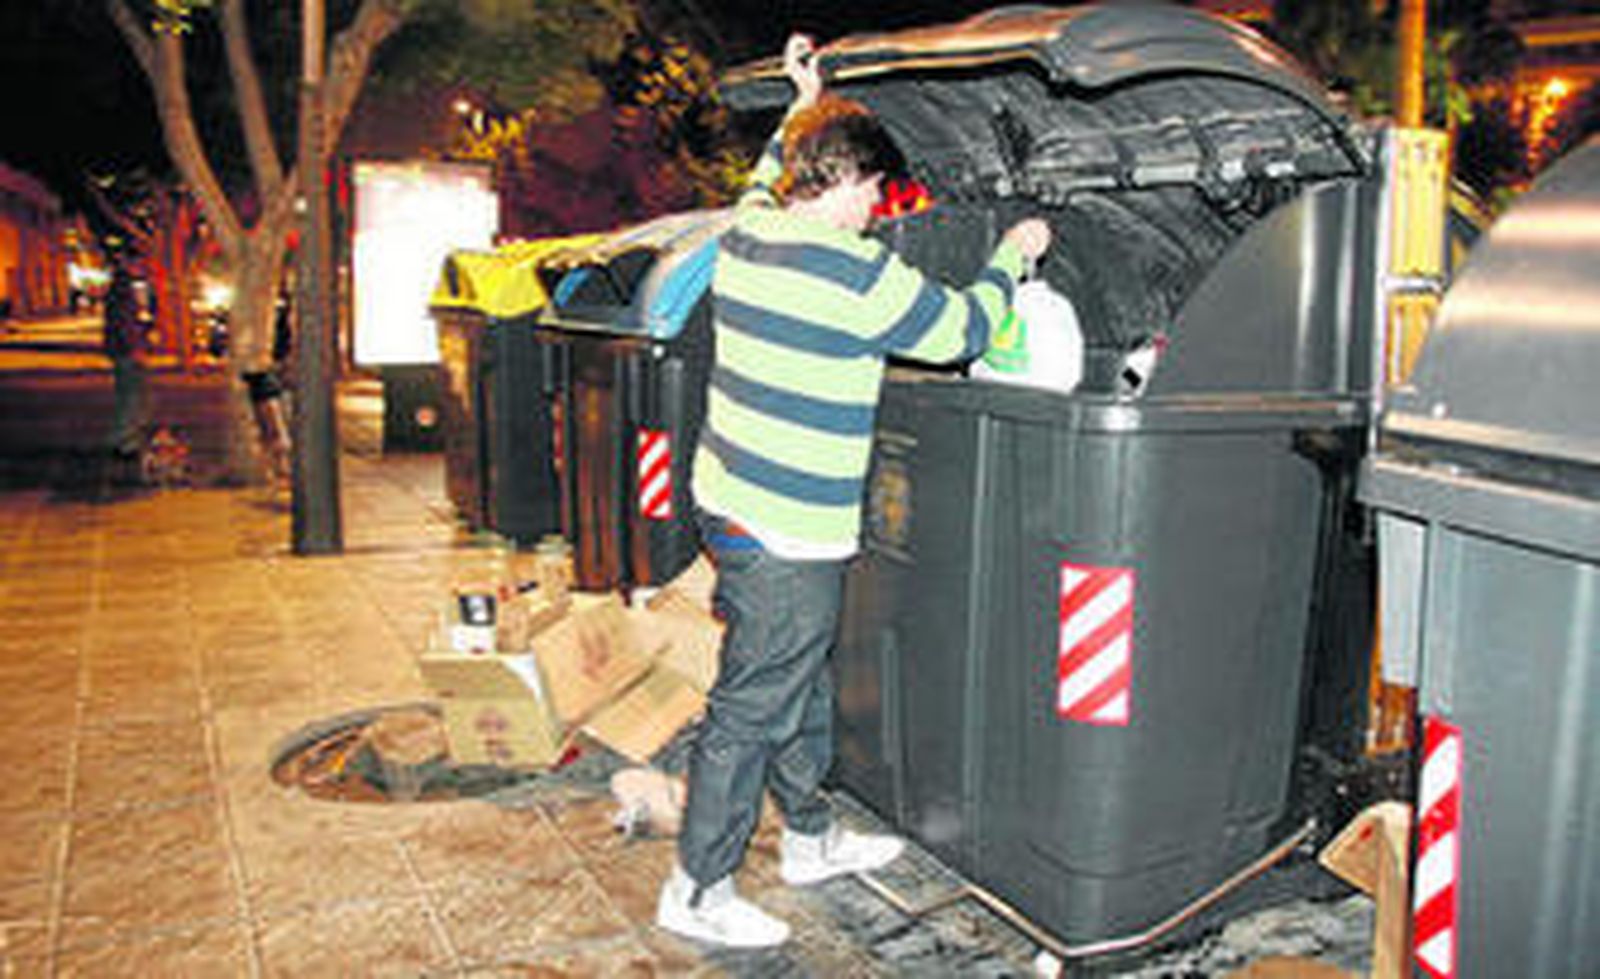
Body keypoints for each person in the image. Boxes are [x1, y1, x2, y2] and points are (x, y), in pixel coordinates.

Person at [655, 33, 1052, 948]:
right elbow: (960, 332)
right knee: (754, 701)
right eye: (874, 191)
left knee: (793, 676)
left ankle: (808, 834)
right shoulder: (853, 271)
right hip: (786, 522)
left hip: (734, 496)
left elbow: (768, 172)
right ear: (840, 183)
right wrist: (1013, 254)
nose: (879, 209)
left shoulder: (753, 226)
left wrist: (806, 98)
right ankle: (697, 887)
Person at [103, 250, 151, 463]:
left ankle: (120, 439)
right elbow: (125, 323)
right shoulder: (124, 289)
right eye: (139, 263)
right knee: (131, 396)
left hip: (121, 349)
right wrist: (136, 348)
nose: (142, 267)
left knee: (126, 395)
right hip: (127, 350)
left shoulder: (120, 287)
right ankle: (126, 442)